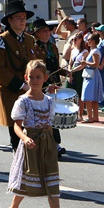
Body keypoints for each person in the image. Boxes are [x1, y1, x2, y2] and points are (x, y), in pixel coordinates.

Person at [5, 59, 71, 208]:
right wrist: (25, 138)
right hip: (31, 143)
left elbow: (49, 126)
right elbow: (17, 126)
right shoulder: (23, 101)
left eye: (38, 77)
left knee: (52, 182)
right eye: (31, 76)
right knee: (27, 182)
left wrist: (53, 144)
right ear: (26, 77)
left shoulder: (49, 101)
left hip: (47, 143)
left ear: (45, 78)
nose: (34, 80)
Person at [0, 0, 38, 151]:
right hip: (12, 92)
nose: (23, 21)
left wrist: (43, 81)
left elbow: (35, 65)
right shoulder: (1, 40)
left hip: (30, 93)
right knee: (16, 136)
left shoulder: (30, 40)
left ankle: (28, 170)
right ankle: (18, 170)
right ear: (9, 20)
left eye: (24, 18)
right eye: (18, 17)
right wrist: (22, 85)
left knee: (31, 133)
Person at [29, 18, 66, 154]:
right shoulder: (33, 49)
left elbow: (57, 67)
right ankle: (47, 144)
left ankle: (55, 144)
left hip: (54, 85)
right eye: (44, 31)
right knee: (42, 115)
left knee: (52, 115)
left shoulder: (53, 47)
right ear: (37, 33)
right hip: (42, 86)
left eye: (48, 31)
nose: (47, 33)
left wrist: (67, 72)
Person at [79, 34, 103, 123]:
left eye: (89, 40)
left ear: (93, 41)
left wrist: (85, 62)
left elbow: (96, 64)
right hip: (91, 74)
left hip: (92, 75)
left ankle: (90, 116)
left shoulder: (95, 51)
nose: (87, 41)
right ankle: (95, 116)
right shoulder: (93, 51)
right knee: (93, 97)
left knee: (87, 96)